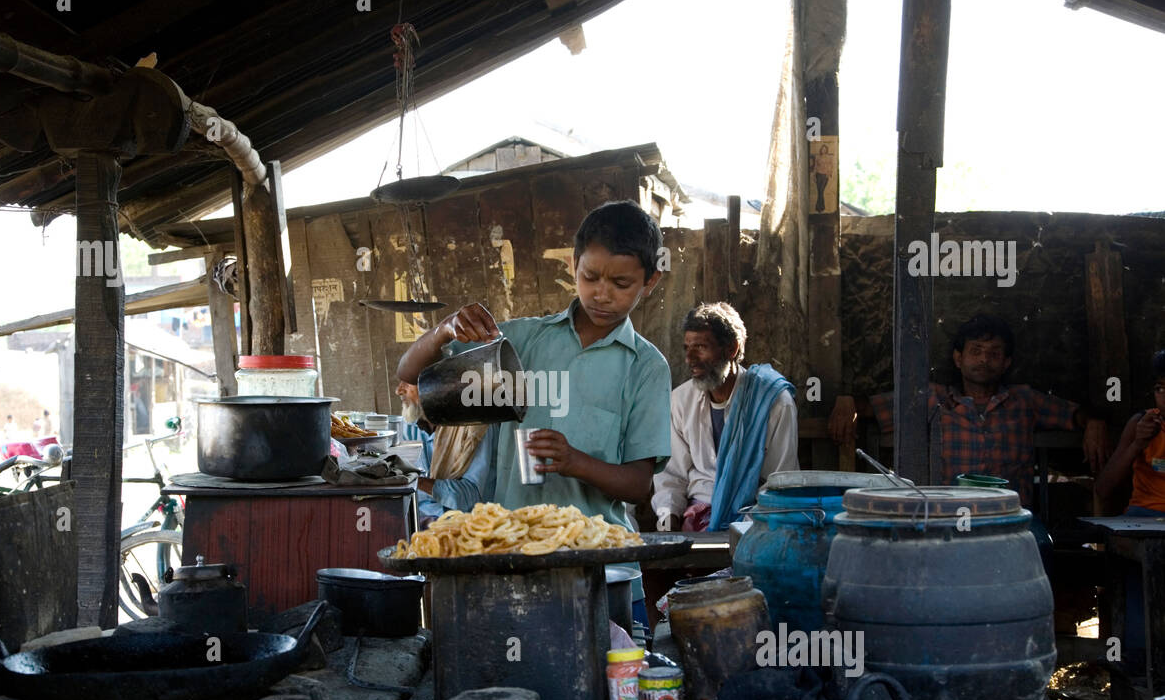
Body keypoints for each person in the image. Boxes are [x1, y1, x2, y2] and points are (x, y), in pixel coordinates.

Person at [396, 199, 672, 601]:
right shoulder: (522, 342)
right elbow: (411, 375)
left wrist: (575, 462)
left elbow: (638, 484)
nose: (601, 293)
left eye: (621, 284)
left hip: (600, 570)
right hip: (512, 558)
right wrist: (443, 330)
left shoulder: (645, 366)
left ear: (650, 281)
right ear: (573, 264)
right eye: (590, 276)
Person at [828, 313, 1111, 510]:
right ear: (958, 358)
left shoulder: (1024, 401)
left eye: (994, 352)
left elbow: (1077, 414)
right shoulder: (933, 398)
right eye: (976, 350)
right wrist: (846, 401)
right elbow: (866, 408)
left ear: (1006, 362)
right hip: (948, 516)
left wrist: (1095, 422)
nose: (984, 359)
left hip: (1010, 519)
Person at [652, 302, 798, 533]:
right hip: (697, 517)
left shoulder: (773, 402)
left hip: (755, 518)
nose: (690, 358)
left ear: (732, 349)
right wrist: (668, 518)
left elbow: (780, 483)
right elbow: (671, 476)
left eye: (700, 347)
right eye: (687, 347)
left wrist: (747, 528)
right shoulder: (680, 400)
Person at [395, 379, 492, 522]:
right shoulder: (410, 424)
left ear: (434, 383)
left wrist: (417, 482)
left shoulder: (474, 427)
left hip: (470, 524)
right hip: (424, 520)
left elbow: (472, 497)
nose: (398, 390)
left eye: (408, 383)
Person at [1093, 350, 1165, 517]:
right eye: (1160, 388)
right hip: (1144, 516)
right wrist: (1137, 444)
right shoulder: (1141, 424)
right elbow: (1103, 489)